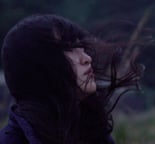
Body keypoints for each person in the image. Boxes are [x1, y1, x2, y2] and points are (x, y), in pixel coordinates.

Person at [0, 14, 143, 144]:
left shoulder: (95, 134)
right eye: (68, 48)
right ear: (39, 68)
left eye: (80, 46)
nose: (87, 58)